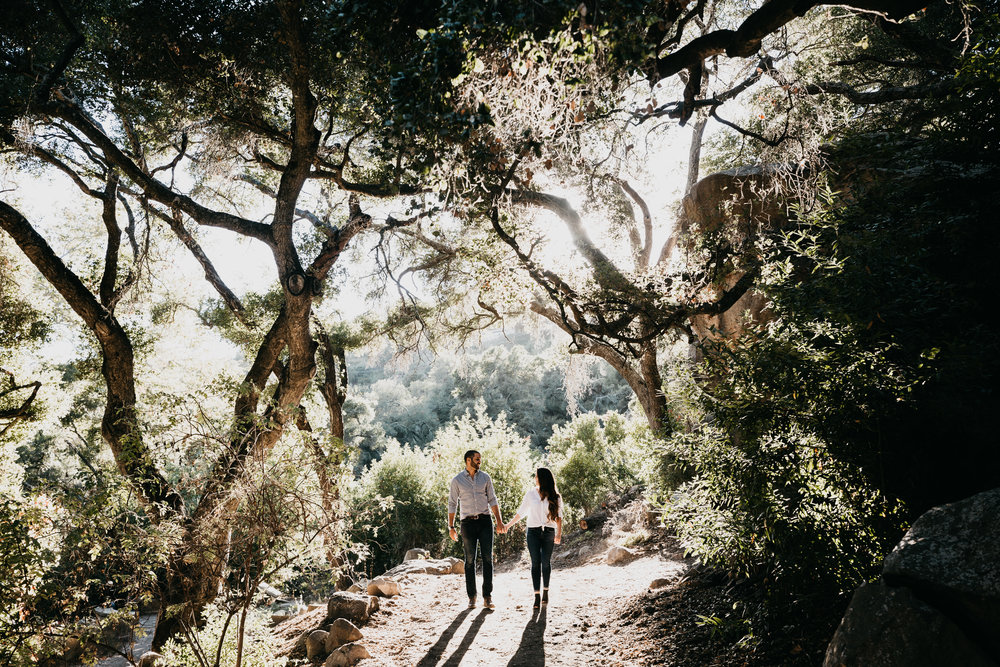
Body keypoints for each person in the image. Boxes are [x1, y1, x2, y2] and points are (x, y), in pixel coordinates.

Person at [448, 449, 506, 609]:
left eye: (480, 459)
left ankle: (487, 597)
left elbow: (493, 499)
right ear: (468, 460)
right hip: (467, 524)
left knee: (487, 559)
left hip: (485, 522)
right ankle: (472, 597)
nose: (480, 461)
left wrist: (499, 521)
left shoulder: (485, 477)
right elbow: (452, 503)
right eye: (477, 459)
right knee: (469, 561)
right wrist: (451, 526)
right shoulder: (457, 480)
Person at [504, 467, 562, 609]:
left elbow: (559, 517)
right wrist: (508, 525)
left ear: (542, 478)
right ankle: (536, 596)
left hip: (549, 531)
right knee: (535, 563)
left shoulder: (555, 496)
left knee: (546, 562)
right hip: (533, 533)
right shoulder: (530, 494)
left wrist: (559, 533)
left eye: (536, 476)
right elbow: (521, 513)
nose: (535, 478)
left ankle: (546, 591)